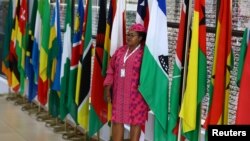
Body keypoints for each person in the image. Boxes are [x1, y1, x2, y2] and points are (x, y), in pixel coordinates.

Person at [103, 23, 149, 141]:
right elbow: (111, 69)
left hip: (137, 96)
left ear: (140, 38)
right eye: (128, 34)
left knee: (136, 122)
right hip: (119, 95)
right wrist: (107, 88)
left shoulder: (144, 55)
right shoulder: (120, 51)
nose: (128, 37)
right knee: (117, 120)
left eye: (132, 35)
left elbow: (149, 76)